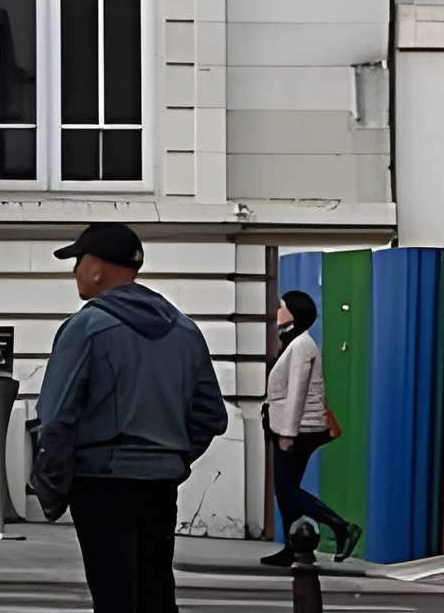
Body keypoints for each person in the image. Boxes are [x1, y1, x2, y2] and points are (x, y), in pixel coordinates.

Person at [33, 223, 227, 613]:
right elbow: (210, 415)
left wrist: (52, 487)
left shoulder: (86, 328)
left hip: (101, 481)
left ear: (96, 268)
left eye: (77, 262)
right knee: (155, 593)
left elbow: (55, 419)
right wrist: (170, 456)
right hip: (159, 484)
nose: (74, 273)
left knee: (114, 596)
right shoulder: (184, 330)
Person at [263, 289, 359, 566]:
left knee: (286, 486)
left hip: (299, 429)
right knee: (285, 488)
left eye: (282, 306)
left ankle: (341, 526)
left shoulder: (302, 345)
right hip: (287, 426)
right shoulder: (292, 341)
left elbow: (298, 392)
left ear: (294, 313)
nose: (277, 311)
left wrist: (288, 434)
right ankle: (294, 548)